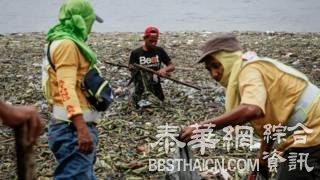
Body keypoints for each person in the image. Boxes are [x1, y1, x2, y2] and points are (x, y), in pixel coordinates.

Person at [180, 34, 320, 179]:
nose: (214, 74)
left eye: (216, 65)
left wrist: (202, 128)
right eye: (209, 69)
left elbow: (252, 109)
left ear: (228, 60)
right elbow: (271, 122)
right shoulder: (249, 71)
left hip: (313, 128)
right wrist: (262, 158)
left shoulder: (249, 71)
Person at [42, 0, 103, 179]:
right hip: (71, 130)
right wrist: (81, 128)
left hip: (73, 127)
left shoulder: (65, 40)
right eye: (90, 21)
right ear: (81, 20)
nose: (91, 27)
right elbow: (65, 87)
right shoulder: (67, 45)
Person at [128, 26, 175, 107]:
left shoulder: (159, 51)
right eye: (151, 41)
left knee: (159, 103)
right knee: (141, 104)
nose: (153, 43)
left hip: (155, 83)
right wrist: (133, 68)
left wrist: (164, 69)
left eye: (155, 41)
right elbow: (131, 66)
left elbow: (172, 66)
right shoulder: (136, 53)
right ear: (145, 38)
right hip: (141, 85)